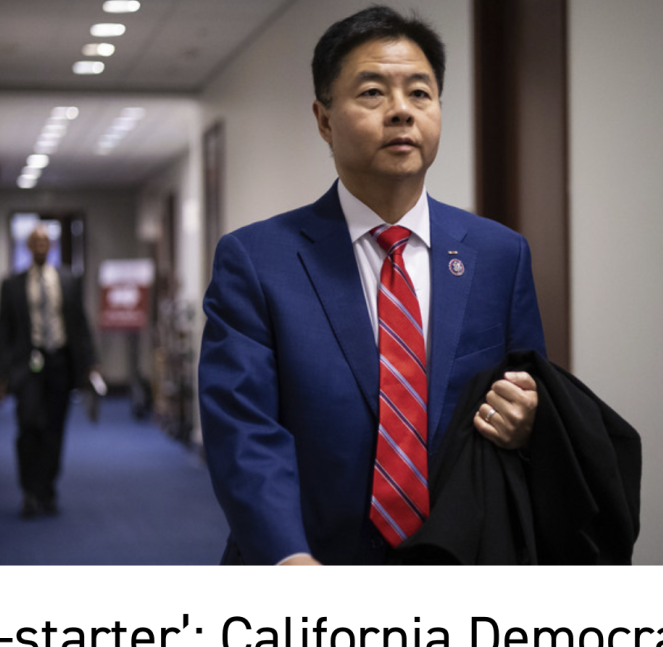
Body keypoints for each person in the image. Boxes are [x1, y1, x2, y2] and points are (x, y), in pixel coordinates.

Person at [198, 5, 545, 565]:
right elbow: (242, 430)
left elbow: (532, 398)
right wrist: (287, 556)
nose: (401, 111)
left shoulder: (500, 255)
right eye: (372, 93)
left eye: (420, 93)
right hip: (311, 565)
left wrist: (529, 422)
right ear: (324, 119)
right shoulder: (257, 261)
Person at [0, 226, 99, 519]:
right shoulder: (12, 284)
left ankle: (47, 488)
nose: (40, 245)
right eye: (35, 241)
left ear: (49, 246)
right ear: (28, 246)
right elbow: (3, 330)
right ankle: (28, 490)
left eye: (44, 241)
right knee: (28, 426)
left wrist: (90, 362)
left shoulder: (68, 280)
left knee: (54, 428)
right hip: (26, 365)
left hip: (60, 363)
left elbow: (80, 324)